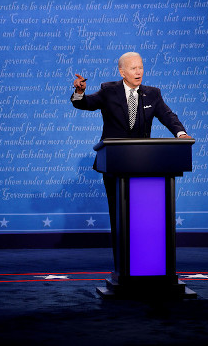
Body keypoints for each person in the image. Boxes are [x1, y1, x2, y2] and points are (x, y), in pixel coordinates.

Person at [71, 52, 191, 271]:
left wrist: (180, 133)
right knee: (120, 217)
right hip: (114, 165)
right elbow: (85, 104)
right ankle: (123, 269)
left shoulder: (152, 94)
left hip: (145, 167)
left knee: (144, 220)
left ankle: (147, 267)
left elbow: (168, 116)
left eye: (141, 67)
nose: (138, 72)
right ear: (122, 71)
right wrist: (79, 92)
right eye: (133, 68)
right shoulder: (109, 91)